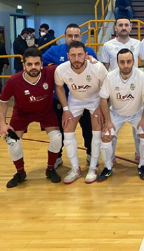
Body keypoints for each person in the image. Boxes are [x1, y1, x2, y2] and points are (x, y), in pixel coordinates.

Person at [0, 47, 62, 188]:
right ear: (24, 65)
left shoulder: (50, 72)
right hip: (22, 114)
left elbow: (71, 65)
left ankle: (50, 169)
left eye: (37, 64)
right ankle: (20, 173)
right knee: (12, 142)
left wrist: (90, 60)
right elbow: (3, 102)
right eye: (30, 64)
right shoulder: (13, 80)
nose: (33, 67)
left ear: (42, 64)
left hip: (46, 112)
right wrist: (2, 123)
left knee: (57, 138)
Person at [42, 24, 98, 166]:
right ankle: (57, 157)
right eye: (70, 36)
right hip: (61, 100)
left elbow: (96, 73)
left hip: (84, 98)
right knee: (60, 130)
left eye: (76, 36)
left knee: (88, 128)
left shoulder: (89, 52)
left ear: (81, 37)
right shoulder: (54, 51)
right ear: (64, 37)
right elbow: (41, 66)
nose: (73, 38)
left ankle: (91, 154)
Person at [54, 41, 108, 184]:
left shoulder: (97, 67)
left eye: (80, 55)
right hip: (75, 100)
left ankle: (93, 167)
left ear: (86, 55)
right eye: (73, 55)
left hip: (95, 99)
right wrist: (65, 109)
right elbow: (59, 87)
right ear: (68, 56)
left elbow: (106, 86)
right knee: (67, 129)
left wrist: (101, 107)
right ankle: (75, 168)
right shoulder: (61, 69)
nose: (77, 59)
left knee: (97, 129)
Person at [99, 48, 144, 181]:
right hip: (116, 113)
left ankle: (142, 165)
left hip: (137, 113)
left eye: (129, 61)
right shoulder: (110, 77)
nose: (126, 65)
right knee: (105, 136)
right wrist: (108, 121)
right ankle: (107, 167)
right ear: (117, 63)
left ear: (134, 61)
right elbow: (103, 99)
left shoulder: (140, 76)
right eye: (122, 62)